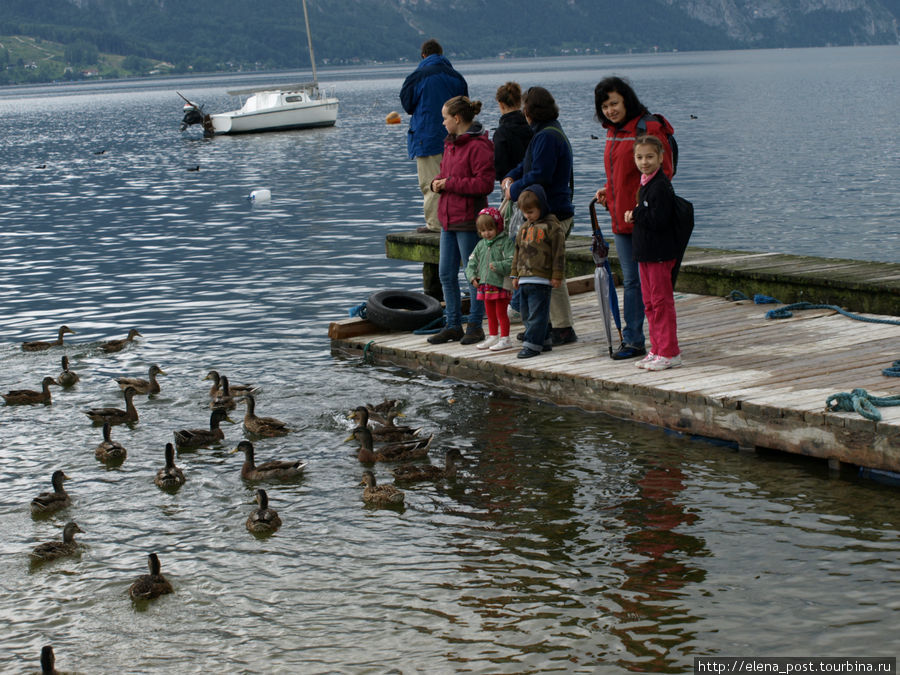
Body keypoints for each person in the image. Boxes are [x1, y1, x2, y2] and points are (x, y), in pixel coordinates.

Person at [594, 76, 675, 360]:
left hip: (644, 219)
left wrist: (641, 206)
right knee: (632, 280)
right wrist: (610, 190)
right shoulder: (613, 132)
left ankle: (641, 341)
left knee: (639, 282)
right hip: (619, 217)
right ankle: (639, 340)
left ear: (626, 99)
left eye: (614, 103)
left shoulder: (647, 127)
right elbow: (625, 174)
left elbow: (662, 173)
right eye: (604, 106)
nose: (610, 110)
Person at [501, 86, 577, 347]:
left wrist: (514, 190)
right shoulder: (546, 133)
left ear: (530, 111)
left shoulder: (547, 137)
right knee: (544, 272)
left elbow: (540, 176)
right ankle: (545, 325)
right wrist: (511, 175)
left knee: (547, 272)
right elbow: (527, 165)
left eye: (525, 108)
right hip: (553, 211)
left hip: (553, 214)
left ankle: (562, 327)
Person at [426, 96, 495, 345]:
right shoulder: (450, 145)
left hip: (468, 220)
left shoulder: (479, 145)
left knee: (472, 273)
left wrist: (450, 184)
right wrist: (437, 182)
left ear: (456, 118)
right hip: (448, 219)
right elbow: (447, 174)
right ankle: (453, 324)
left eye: (445, 118)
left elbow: (484, 184)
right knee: (445, 273)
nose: (443, 123)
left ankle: (475, 325)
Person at [624, 134, 682, 371]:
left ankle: (670, 352)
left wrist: (636, 214)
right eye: (639, 157)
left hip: (659, 254)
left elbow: (659, 220)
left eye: (649, 156)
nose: (644, 161)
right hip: (645, 254)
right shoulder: (645, 183)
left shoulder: (660, 186)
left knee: (661, 303)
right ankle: (656, 349)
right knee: (649, 303)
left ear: (660, 157)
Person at [400, 39, 469, 234]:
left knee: (431, 182)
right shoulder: (456, 77)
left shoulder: (417, 77)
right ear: (441, 54)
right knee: (455, 180)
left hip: (427, 137)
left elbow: (407, 105)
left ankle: (436, 225)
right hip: (456, 137)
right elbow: (466, 106)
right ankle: (457, 220)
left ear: (423, 55)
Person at [510, 185, 565, 359]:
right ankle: (544, 340)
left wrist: (557, 275)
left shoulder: (552, 227)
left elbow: (559, 253)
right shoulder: (524, 228)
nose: (528, 216)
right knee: (525, 313)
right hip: (524, 278)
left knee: (537, 313)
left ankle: (532, 344)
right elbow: (517, 252)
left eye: (531, 212)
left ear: (541, 207)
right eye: (525, 213)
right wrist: (515, 274)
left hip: (541, 279)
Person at [465, 207, 515, 352]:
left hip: (501, 284)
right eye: (483, 230)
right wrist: (472, 276)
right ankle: (493, 336)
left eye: (490, 229)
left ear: (497, 226)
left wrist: (498, 266)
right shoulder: (480, 245)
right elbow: (471, 263)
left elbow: (512, 261)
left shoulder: (505, 242)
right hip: (485, 285)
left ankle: (505, 338)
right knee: (490, 313)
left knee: (501, 312)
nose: (487, 233)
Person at [492, 82, 533, 182]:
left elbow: (499, 168)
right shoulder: (531, 127)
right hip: (533, 183)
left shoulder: (501, 133)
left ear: (501, 104)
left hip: (510, 184)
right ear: (520, 101)